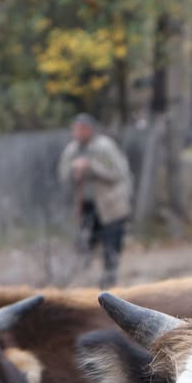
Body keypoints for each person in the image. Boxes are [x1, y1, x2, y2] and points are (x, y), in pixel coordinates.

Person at [57, 113, 133, 287]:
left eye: (81, 129)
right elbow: (63, 174)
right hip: (87, 206)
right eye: (75, 129)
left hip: (111, 206)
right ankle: (84, 281)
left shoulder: (104, 147)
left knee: (111, 246)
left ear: (89, 130)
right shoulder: (72, 150)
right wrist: (74, 170)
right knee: (84, 245)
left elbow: (118, 173)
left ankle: (109, 282)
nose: (77, 133)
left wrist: (91, 166)